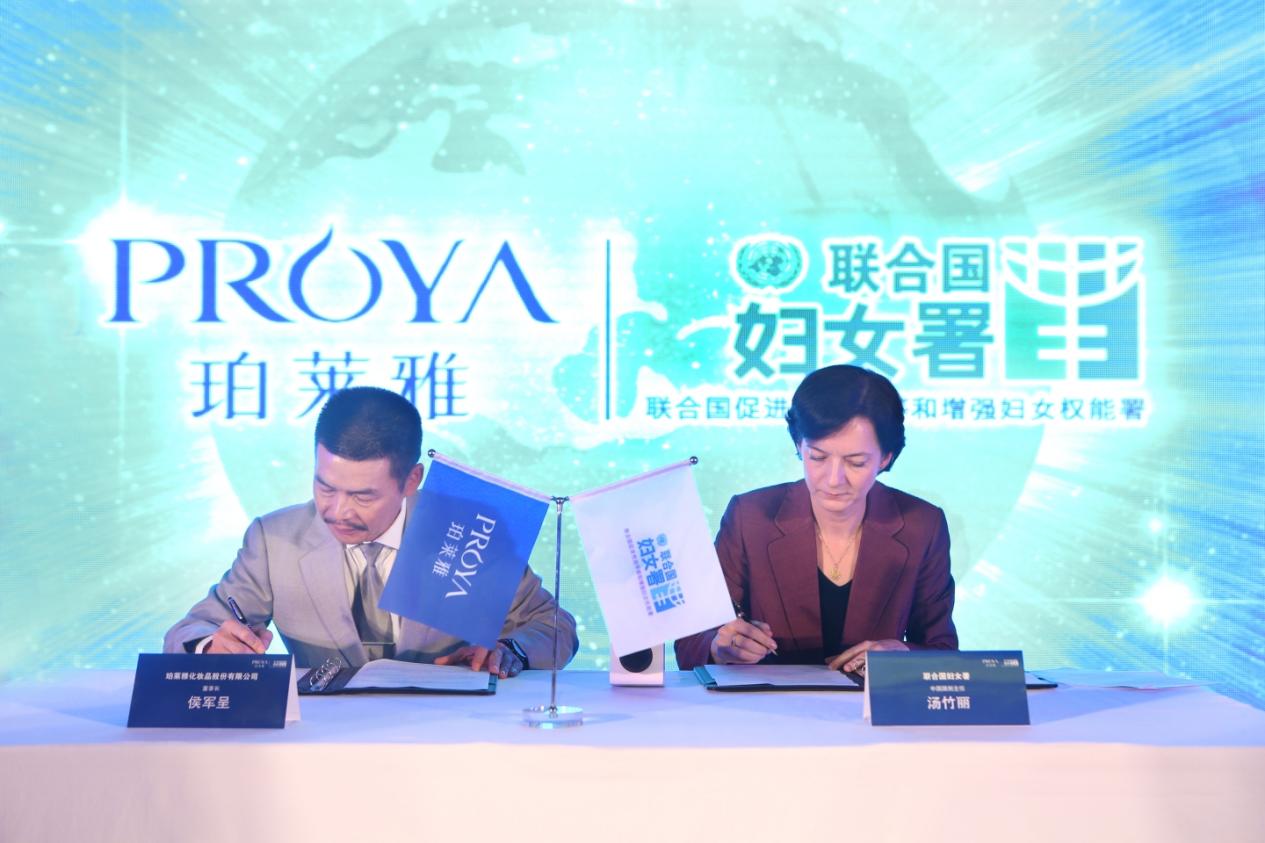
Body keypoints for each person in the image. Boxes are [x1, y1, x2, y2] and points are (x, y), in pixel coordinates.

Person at [165, 386, 577, 678]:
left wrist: (511, 651)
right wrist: (212, 647)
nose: (338, 511)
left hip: (446, 737)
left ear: (411, 480)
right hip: (317, 744)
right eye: (325, 487)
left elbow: (555, 626)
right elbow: (188, 632)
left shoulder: (467, 533)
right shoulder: (274, 540)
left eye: (363, 496)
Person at [675, 364, 957, 673]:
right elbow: (691, 642)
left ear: (885, 458)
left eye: (856, 462)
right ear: (799, 445)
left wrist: (902, 653)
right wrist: (721, 647)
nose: (834, 479)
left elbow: (941, 650)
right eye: (818, 457)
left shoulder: (921, 526)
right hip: (766, 701)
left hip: (869, 702)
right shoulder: (750, 517)